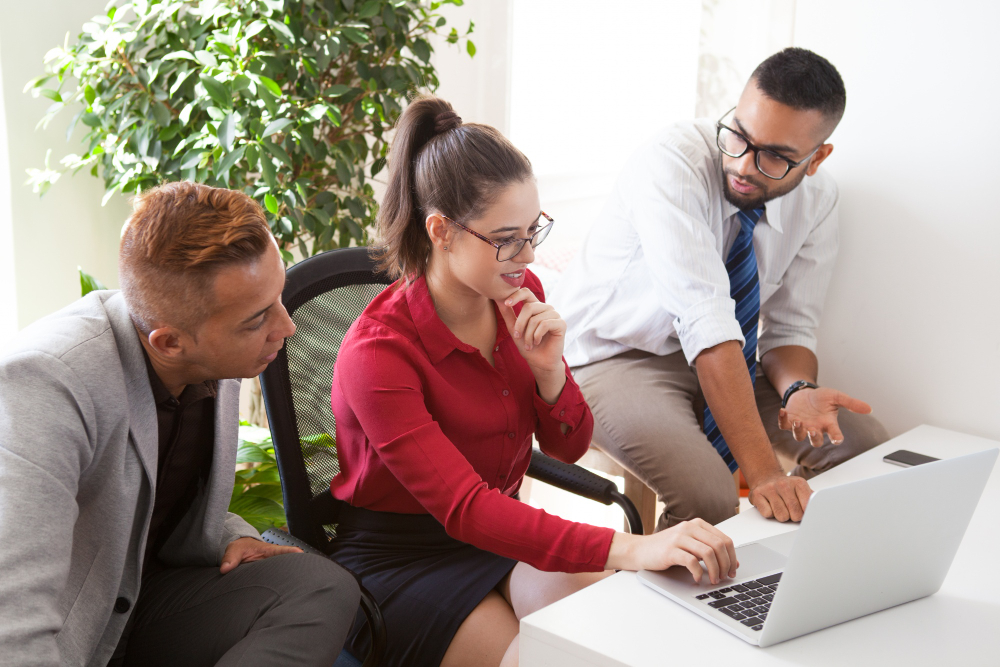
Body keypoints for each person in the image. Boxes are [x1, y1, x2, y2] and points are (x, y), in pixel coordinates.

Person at [328, 95, 739, 667]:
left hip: (501, 532)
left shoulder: (520, 301)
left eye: (533, 231)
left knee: (601, 634)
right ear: (441, 230)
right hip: (402, 557)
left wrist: (550, 374)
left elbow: (568, 447)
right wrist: (632, 548)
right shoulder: (379, 354)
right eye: (505, 238)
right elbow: (464, 508)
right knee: (543, 656)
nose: (525, 256)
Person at [0, 182, 360, 667]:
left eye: (279, 298)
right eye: (257, 319)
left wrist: (228, 532)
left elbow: (150, 501)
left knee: (319, 586)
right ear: (169, 342)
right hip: (69, 634)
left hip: (143, 604)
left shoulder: (212, 358)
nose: (286, 326)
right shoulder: (47, 383)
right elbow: (12, 616)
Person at [552, 48, 890, 531]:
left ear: (817, 159)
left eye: (775, 155)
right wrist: (767, 475)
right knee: (708, 497)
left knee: (862, 446)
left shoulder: (819, 199)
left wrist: (798, 389)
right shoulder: (673, 160)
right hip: (613, 355)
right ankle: (667, 604)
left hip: (729, 356)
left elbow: (791, 327)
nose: (744, 165)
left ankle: (785, 585)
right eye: (739, 134)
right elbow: (704, 319)